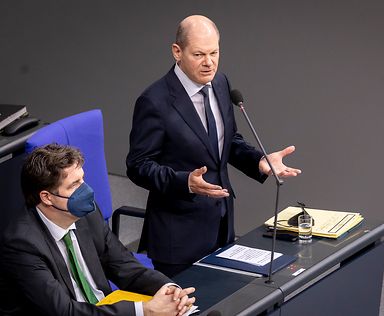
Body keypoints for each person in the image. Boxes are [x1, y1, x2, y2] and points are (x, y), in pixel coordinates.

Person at [126, 15, 301, 277]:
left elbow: (227, 140)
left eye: (214, 52)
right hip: (178, 236)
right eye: (198, 54)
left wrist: (258, 161)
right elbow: (138, 166)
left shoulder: (220, 84)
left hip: (221, 221)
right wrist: (185, 182)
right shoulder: (154, 101)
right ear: (177, 52)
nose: (209, 63)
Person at [0, 144, 195, 316]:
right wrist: (145, 311)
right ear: (47, 197)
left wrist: (170, 290)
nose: (86, 191)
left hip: (104, 307)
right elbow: (63, 311)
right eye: (74, 185)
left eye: (82, 180)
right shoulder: (21, 244)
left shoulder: (88, 215)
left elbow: (125, 265)